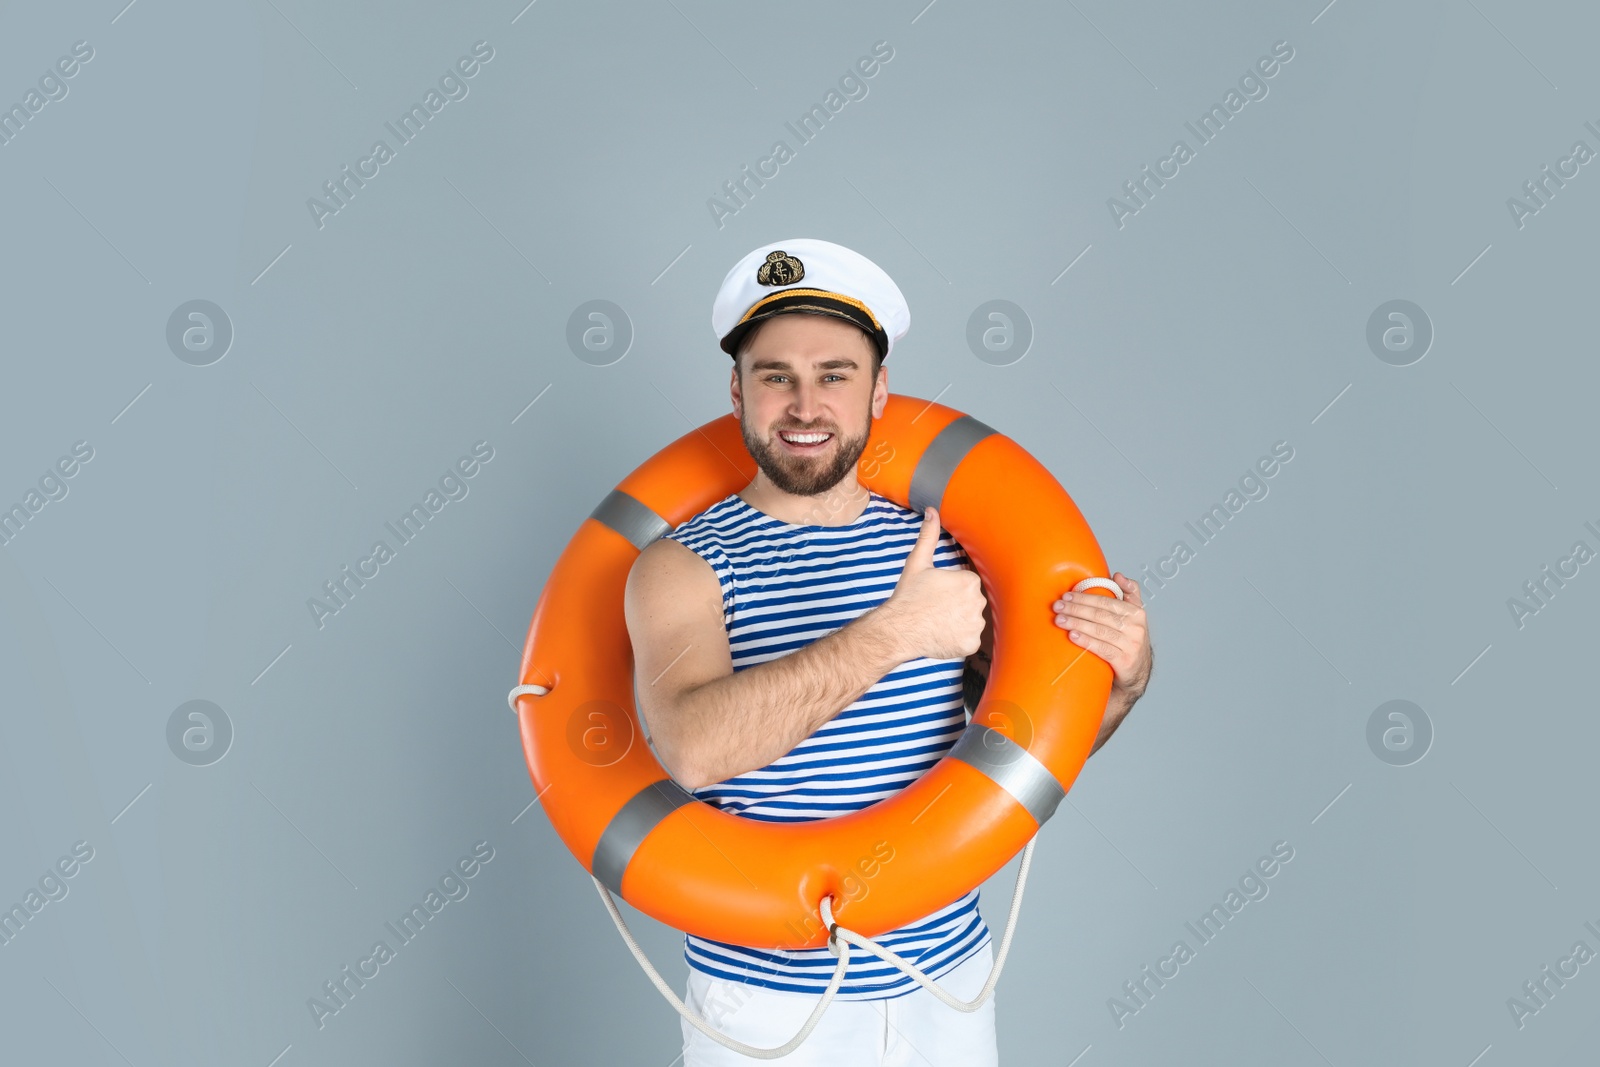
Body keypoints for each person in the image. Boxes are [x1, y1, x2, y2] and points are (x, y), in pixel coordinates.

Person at [623, 238, 1153, 1066]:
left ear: (879, 389)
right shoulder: (679, 566)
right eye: (776, 376)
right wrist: (894, 633)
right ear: (737, 389)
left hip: (944, 985)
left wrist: (1119, 687)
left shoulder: (949, 548)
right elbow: (693, 748)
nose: (805, 406)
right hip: (763, 1006)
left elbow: (1025, 744)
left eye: (834, 374)